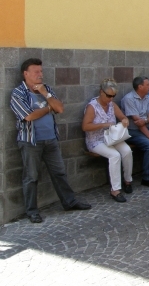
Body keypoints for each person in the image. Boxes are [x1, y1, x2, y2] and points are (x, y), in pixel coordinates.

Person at [11, 58, 92, 223]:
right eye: (36, 72)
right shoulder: (18, 93)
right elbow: (29, 116)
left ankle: (69, 202)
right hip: (30, 141)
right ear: (26, 74)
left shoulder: (46, 89)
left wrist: (45, 93)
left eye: (41, 71)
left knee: (59, 172)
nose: (40, 74)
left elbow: (60, 108)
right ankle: (32, 211)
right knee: (31, 177)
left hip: (51, 139)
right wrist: (49, 107)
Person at [82, 78, 133, 202]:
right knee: (114, 155)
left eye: (113, 96)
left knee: (127, 150)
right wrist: (103, 125)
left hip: (112, 138)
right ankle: (115, 190)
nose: (111, 98)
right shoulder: (92, 106)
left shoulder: (112, 104)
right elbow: (85, 126)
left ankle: (128, 180)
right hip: (96, 140)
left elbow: (122, 116)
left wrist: (124, 120)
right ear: (101, 92)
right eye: (109, 95)